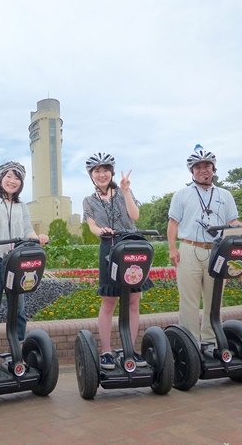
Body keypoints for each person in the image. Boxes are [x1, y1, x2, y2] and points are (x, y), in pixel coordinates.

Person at [167, 144, 242, 357]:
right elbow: (173, 224)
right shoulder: (182, 194)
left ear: (214, 169)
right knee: (188, 300)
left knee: (214, 298)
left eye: (207, 166)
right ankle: (189, 344)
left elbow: (232, 222)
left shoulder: (225, 195)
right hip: (189, 248)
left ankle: (209, 342)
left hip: (217, 251)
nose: (202, 170)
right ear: (192, 171)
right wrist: (172, 249)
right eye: (198, 167)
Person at [0, 161, 48, 376]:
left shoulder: (21, 205)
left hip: (16, 262)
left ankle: (19, 355)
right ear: (0, 178)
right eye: (9, 176)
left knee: (19, 310)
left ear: (21, 183)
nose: (12, 181)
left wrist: (37, 238)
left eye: (17, 178)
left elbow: (27, 229)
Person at [82, 152, 153, 370]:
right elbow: (92, 226)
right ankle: (106, 352)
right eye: (97, 171)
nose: (101, 174)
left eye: (105, 170)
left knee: (133, 301)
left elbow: (135, 216)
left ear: (111, 172)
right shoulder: (88, 200)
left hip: (132, 245)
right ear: (91, 175)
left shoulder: (124, 191)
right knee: (108, 302)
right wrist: (100, 231)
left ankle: (131, 349)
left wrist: (125, 190)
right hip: (108, 247)